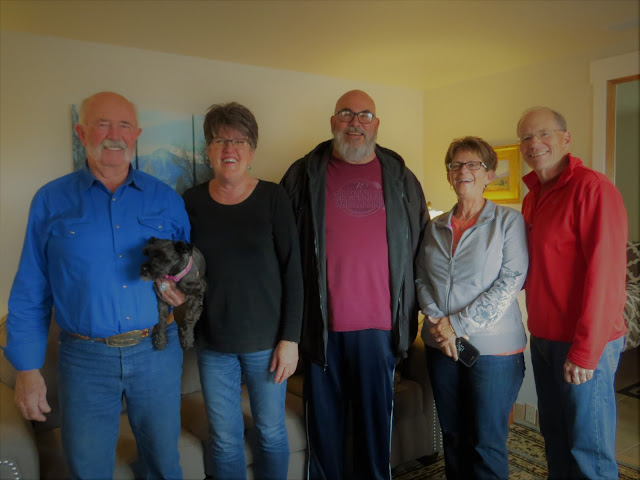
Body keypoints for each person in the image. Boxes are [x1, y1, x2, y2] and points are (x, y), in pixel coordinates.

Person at [4, 91, 189, 478]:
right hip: (85, 358)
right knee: (87, 469)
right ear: (81, 132)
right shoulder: (50, 201)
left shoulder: (167, 199)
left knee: (164, 464)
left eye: (124, 125)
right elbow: (31, 289)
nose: (114, 135)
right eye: (102, 124)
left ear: (136, 134)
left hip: (157, 350)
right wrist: (27, 370)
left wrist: (180, 287)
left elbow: (186, 266)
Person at [280, 89, 428, 480]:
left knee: (374, 434)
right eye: (346, 113)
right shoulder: (303, 174)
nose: (355, 123)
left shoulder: (400, 177)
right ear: (333, 122)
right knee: (324, 434)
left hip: (379, 332)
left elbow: (421, 249)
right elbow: (283, 251)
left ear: (376, 124)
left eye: (364, 115)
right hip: (321, 331)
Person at [176, 102, 302, 480]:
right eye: (220, 140)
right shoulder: (191, 201)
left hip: (267, 343)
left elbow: (294, 272)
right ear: (209, 150)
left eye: (239, 141)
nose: (229, 148)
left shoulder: (273, 198)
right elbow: (183, 265)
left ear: (252, 151)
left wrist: (291, 339)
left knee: (271, 431)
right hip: (214, 343)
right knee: (225, 438)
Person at [518, 107, 628, 479]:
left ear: (566, 139)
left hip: (584, 342)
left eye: (543, 134)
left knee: (589, 451)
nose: (534, 144)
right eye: (526, 137)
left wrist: (585, 351)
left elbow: (607, 278)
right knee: (556, 439)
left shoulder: (593, 188)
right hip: (544, 338)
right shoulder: (533, 196)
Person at [415, 136, 528, 479]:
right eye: (456, 165)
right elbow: (420, 277)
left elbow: (511, 281)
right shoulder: (434, 226)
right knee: (453, 436)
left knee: (486, 442)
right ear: (449, 175)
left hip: (493, 352)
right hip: (442, 347)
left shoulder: (508, 222)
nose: (463, 170)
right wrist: (439, 324)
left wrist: (456, 326)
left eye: (473, 164)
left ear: (489, 174)